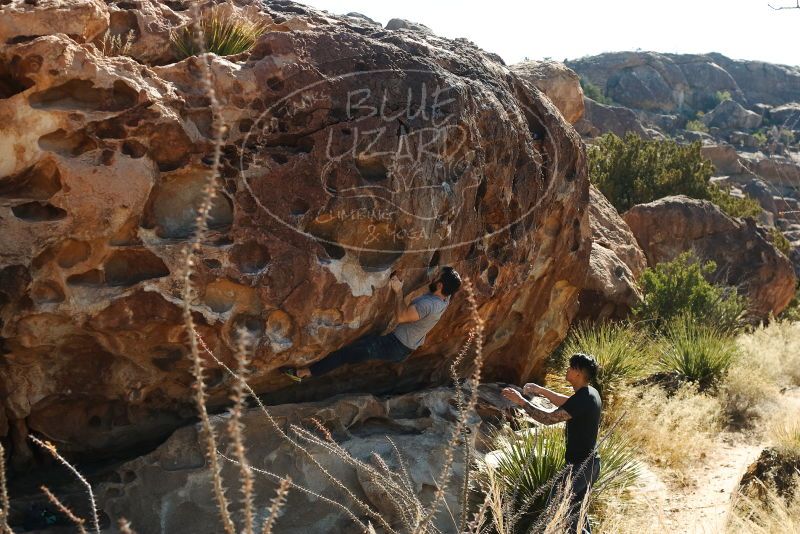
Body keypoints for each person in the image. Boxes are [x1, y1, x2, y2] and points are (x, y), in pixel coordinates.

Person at [282, 266, 462, 381]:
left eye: (437, 276)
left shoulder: (427, 305)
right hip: (402, 345)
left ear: (440, 286)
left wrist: (397, 291)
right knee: (361, 346)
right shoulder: (445, 299)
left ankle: (303, 374)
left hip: (395, 346)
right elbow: (442, 282)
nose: (433, 276)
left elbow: (401, 317)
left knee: (345, 353)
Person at [501, 353, 602, 534]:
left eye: (571, 368)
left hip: (580, 466)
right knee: (576, 514)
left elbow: (548, 418)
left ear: (578, 373)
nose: (567, 370)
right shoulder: (589, 394)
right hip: (591, 465)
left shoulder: (583, 399)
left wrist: (521, 402)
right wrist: (541, 390)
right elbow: (566, 402)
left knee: (556, 506)